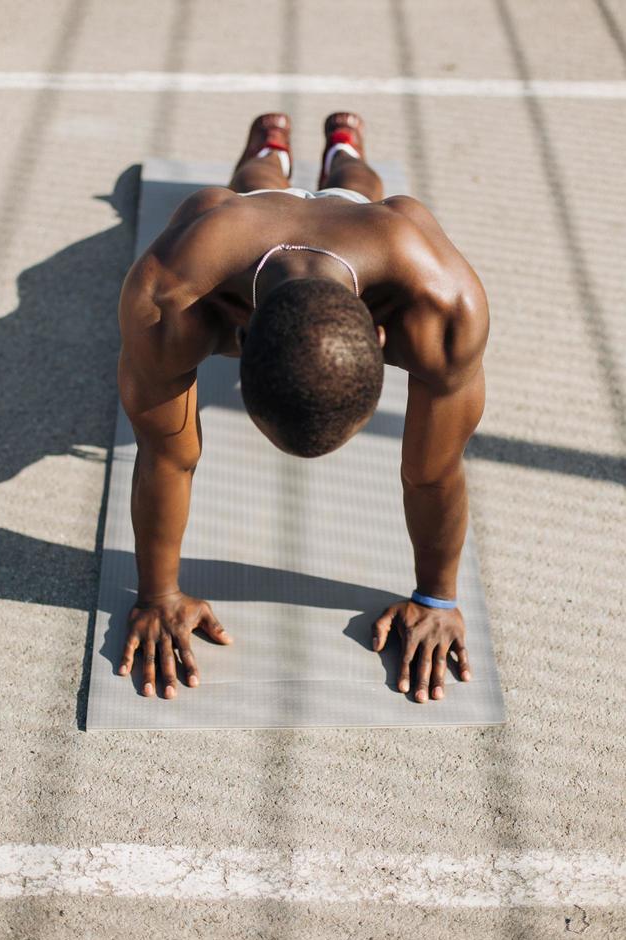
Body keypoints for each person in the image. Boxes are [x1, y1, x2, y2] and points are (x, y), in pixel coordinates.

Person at [117, 112, 489, 704]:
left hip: (368, 224)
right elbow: (167, 457)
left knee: (356, 187)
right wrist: (158, 596)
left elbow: (433, 472)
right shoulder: (170, 296)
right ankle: (269, 140)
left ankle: (343, 145)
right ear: (234, 341)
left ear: (383, 338)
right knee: (248, 183)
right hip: (245, 218)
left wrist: (437, 599)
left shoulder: (443, 304)